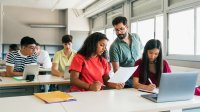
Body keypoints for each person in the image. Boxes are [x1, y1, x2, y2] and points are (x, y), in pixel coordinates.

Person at [109, 16, 143, 88]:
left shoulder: (136, 37)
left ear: (127, 27)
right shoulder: (114, 47)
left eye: (121, 29)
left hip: (141, 77)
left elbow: (142, 55)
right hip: (127, 82)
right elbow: (116, 71)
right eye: (116, 30)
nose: (119, 32)